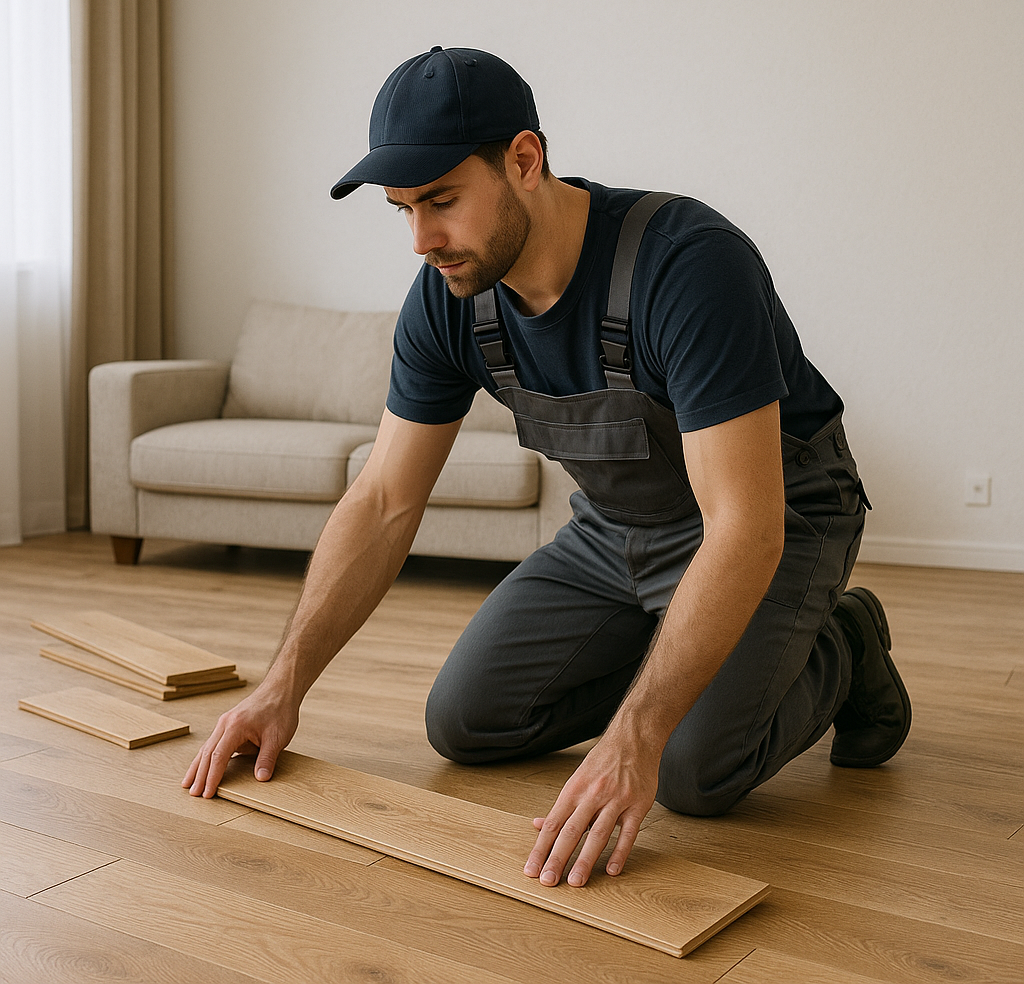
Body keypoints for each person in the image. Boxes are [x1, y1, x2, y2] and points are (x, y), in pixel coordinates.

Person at [184, 46, 912, 889]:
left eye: (442, 202)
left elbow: (744, 527)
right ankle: (682, 656)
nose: (422, 240)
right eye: (403, 210)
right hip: (616, 534)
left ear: (524, 161)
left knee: (692, 771)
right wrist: (283, 685)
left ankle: (848, 644)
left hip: (777, 515)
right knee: (466, 723)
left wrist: (634, 740)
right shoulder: (449, 298)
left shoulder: (689, 266)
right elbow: (384, 498)